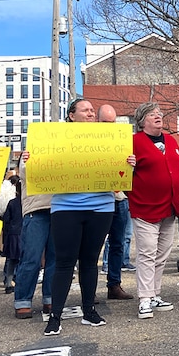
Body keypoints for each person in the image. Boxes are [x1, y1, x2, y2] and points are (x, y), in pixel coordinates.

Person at [43, 99, 116, 336]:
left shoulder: (107, 139)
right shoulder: (57, 139)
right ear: (71, 115)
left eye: (93, 110)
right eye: (85, 110)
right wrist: (31, 161)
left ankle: (89, 311)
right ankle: (55, 316)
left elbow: (120, 172)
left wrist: (128, 164)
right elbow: (43, 168)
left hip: (101, 206)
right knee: (64, 261)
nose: (91, 113)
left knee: (90, 261)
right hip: (66, 206)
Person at [129, 102, 179, 320]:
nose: (158, 116)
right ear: (142, 121)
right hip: (145, 207)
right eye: (152, 115)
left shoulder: (170, 140)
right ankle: (144, 299)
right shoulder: (133, 142)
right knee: (147, 254)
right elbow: (121, 175)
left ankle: (155, 294)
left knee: (162, 255)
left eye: (159, 113)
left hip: (170, 207)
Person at [96, 103, 133, 300]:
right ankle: (89, 288)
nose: (109, 126)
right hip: (97, 199)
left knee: (118, 243)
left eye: (112, 122)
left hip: (119, 199)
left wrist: (131, 164)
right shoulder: (89, 140)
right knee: (93, 246)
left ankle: (114, 284)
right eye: (105, 122)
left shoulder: (122, 140)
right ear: (97, 121)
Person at [13, 156, 54, 320]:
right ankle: (22, 300)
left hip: (59, 207)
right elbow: (24, 173)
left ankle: (50, 298)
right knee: (31, 257)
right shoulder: (28, 153)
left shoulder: (64, 146)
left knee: (55, 258)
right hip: (35, 209)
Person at [0, 175, 22, 294]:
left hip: (12, 234)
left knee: (11, 260)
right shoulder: (27, 203)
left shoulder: (12, 203)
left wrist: (4, 238)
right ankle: (20, 282)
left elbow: (6, 221)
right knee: (23, 260)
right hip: (24, 233)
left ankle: (8, 283)